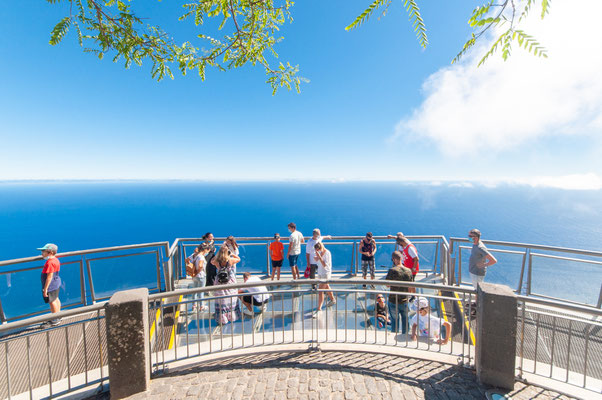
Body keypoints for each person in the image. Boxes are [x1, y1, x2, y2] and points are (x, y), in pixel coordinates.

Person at [211, 246, 241, 325]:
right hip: (230, 281)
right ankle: (232, 316)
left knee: (221, 300)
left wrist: (218, 254)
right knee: (231, 298)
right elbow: (238, 259)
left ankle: (222, 318)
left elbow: (211, 261)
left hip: (219, 282)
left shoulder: (217, 261)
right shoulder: (230, 260)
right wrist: (232, 254)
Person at [385, 251, 413, 334]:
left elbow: (387, 285)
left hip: (393, 300)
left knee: (394, 321)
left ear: (394, 259)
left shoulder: (392, 270)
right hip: (404, 300)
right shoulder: (408, 270)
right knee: (405, 320)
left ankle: (394, 338)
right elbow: (411, 286)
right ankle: (405, 337)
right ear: (401, 258)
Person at [38, 243, 62, 327]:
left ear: (50, 252)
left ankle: (55, 320)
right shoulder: (55, 260)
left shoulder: (50, 263)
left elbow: (49, 277)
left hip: (51, 285)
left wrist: (45, 289)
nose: (42, 253)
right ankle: (58, 315)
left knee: (52, 301)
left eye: (43, 251)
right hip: (56, 283)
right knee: (56, 299)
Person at [468, 228, 497, 293]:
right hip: (474, 271)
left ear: (475, 237)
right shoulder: (475, 244)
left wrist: (484, 265)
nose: (468, 238)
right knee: (476, 289)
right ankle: (476, 303)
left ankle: (477, 303)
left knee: (478, 291)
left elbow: (494, 260)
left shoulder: (480, 247)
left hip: (477, 273)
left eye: (470, 236)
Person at [312, 242, 336, 317]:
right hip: (320, 272)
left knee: (320, 291)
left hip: (325, 273)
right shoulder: (321, 252)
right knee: (327, 287)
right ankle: (333, 300)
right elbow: (316, 261)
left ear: (320, 248)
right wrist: (317, 257)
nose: (317, 251)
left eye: (318, 250)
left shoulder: (327, 253)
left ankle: (319, 309)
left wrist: (319, 256)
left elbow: (325, 265)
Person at [188, 243, 210, 312]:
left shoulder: (194, 255)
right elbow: (200, 266)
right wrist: (197, 272)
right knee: (201, 292)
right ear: (205, 250)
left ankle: (194, 305)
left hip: (194, 277)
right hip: (201, 276)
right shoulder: (201, 257)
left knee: (194, 291)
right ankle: (202, 306)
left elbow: (187, 260)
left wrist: (192, 270)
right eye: (208, 251)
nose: (207, 252)